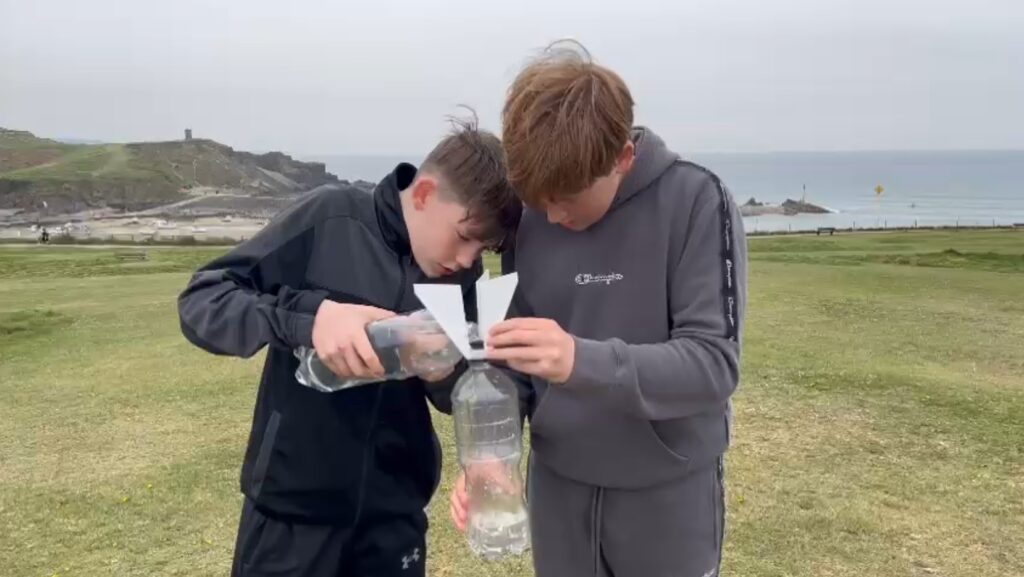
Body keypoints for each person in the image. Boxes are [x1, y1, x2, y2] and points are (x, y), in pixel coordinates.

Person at [451, 42, 748, 577]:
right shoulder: (534, 211)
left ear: (622, 159)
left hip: (666, 496)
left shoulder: (697, 201)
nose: (553, 214)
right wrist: (495, 453)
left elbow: (713, 365)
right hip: (558, 492)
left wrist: (578, 360)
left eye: (568, 195)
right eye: (538, 199)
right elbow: (513, 360)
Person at [178, 117, 520, 577]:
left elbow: (458, 390)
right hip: (291, 514)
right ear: (423, 195)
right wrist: (313, 319)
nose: (466, 260)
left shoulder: (461, 278)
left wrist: (442, 370)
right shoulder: (330, 217)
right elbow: (203, 301)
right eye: (463, 236)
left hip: (393, 521)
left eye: (482, 249)